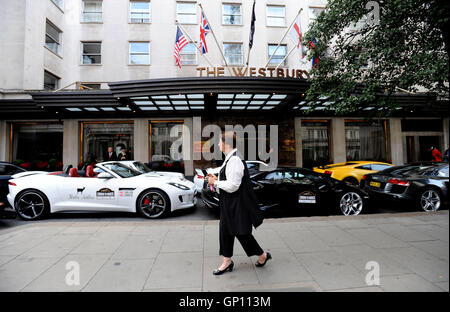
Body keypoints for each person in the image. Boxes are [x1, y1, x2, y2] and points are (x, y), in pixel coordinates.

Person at [207, 131, 271, 275]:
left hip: (236, 205)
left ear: (227, 143)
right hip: (229, 204)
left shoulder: (235, 160)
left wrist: (216, 182)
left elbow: (233, 186)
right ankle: (227, 261)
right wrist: (217, 179)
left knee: (242, 234)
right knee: (225, 232)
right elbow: (229, 181)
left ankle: (263, 256)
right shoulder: (230, 158)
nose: (218, 144)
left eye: (219, 142)